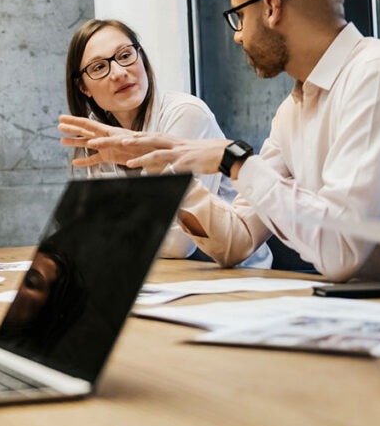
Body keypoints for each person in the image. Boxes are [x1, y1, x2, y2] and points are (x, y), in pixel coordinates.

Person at [60, 0, 380, 287]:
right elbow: (235, 242)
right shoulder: (294, 110)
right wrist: (160, 164)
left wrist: (232, 159)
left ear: (271, 8)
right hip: (376, 315)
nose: (237, 37)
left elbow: (340, 251)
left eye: (239, 17)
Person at [63, 18, 271, 267]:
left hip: (232, 275)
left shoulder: (186, 114)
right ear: (83, 87)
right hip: (156, 275)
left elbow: (179, 243)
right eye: (98, 68)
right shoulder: (96, 131)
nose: (119, 72)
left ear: (141, 56)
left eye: (125, 55)